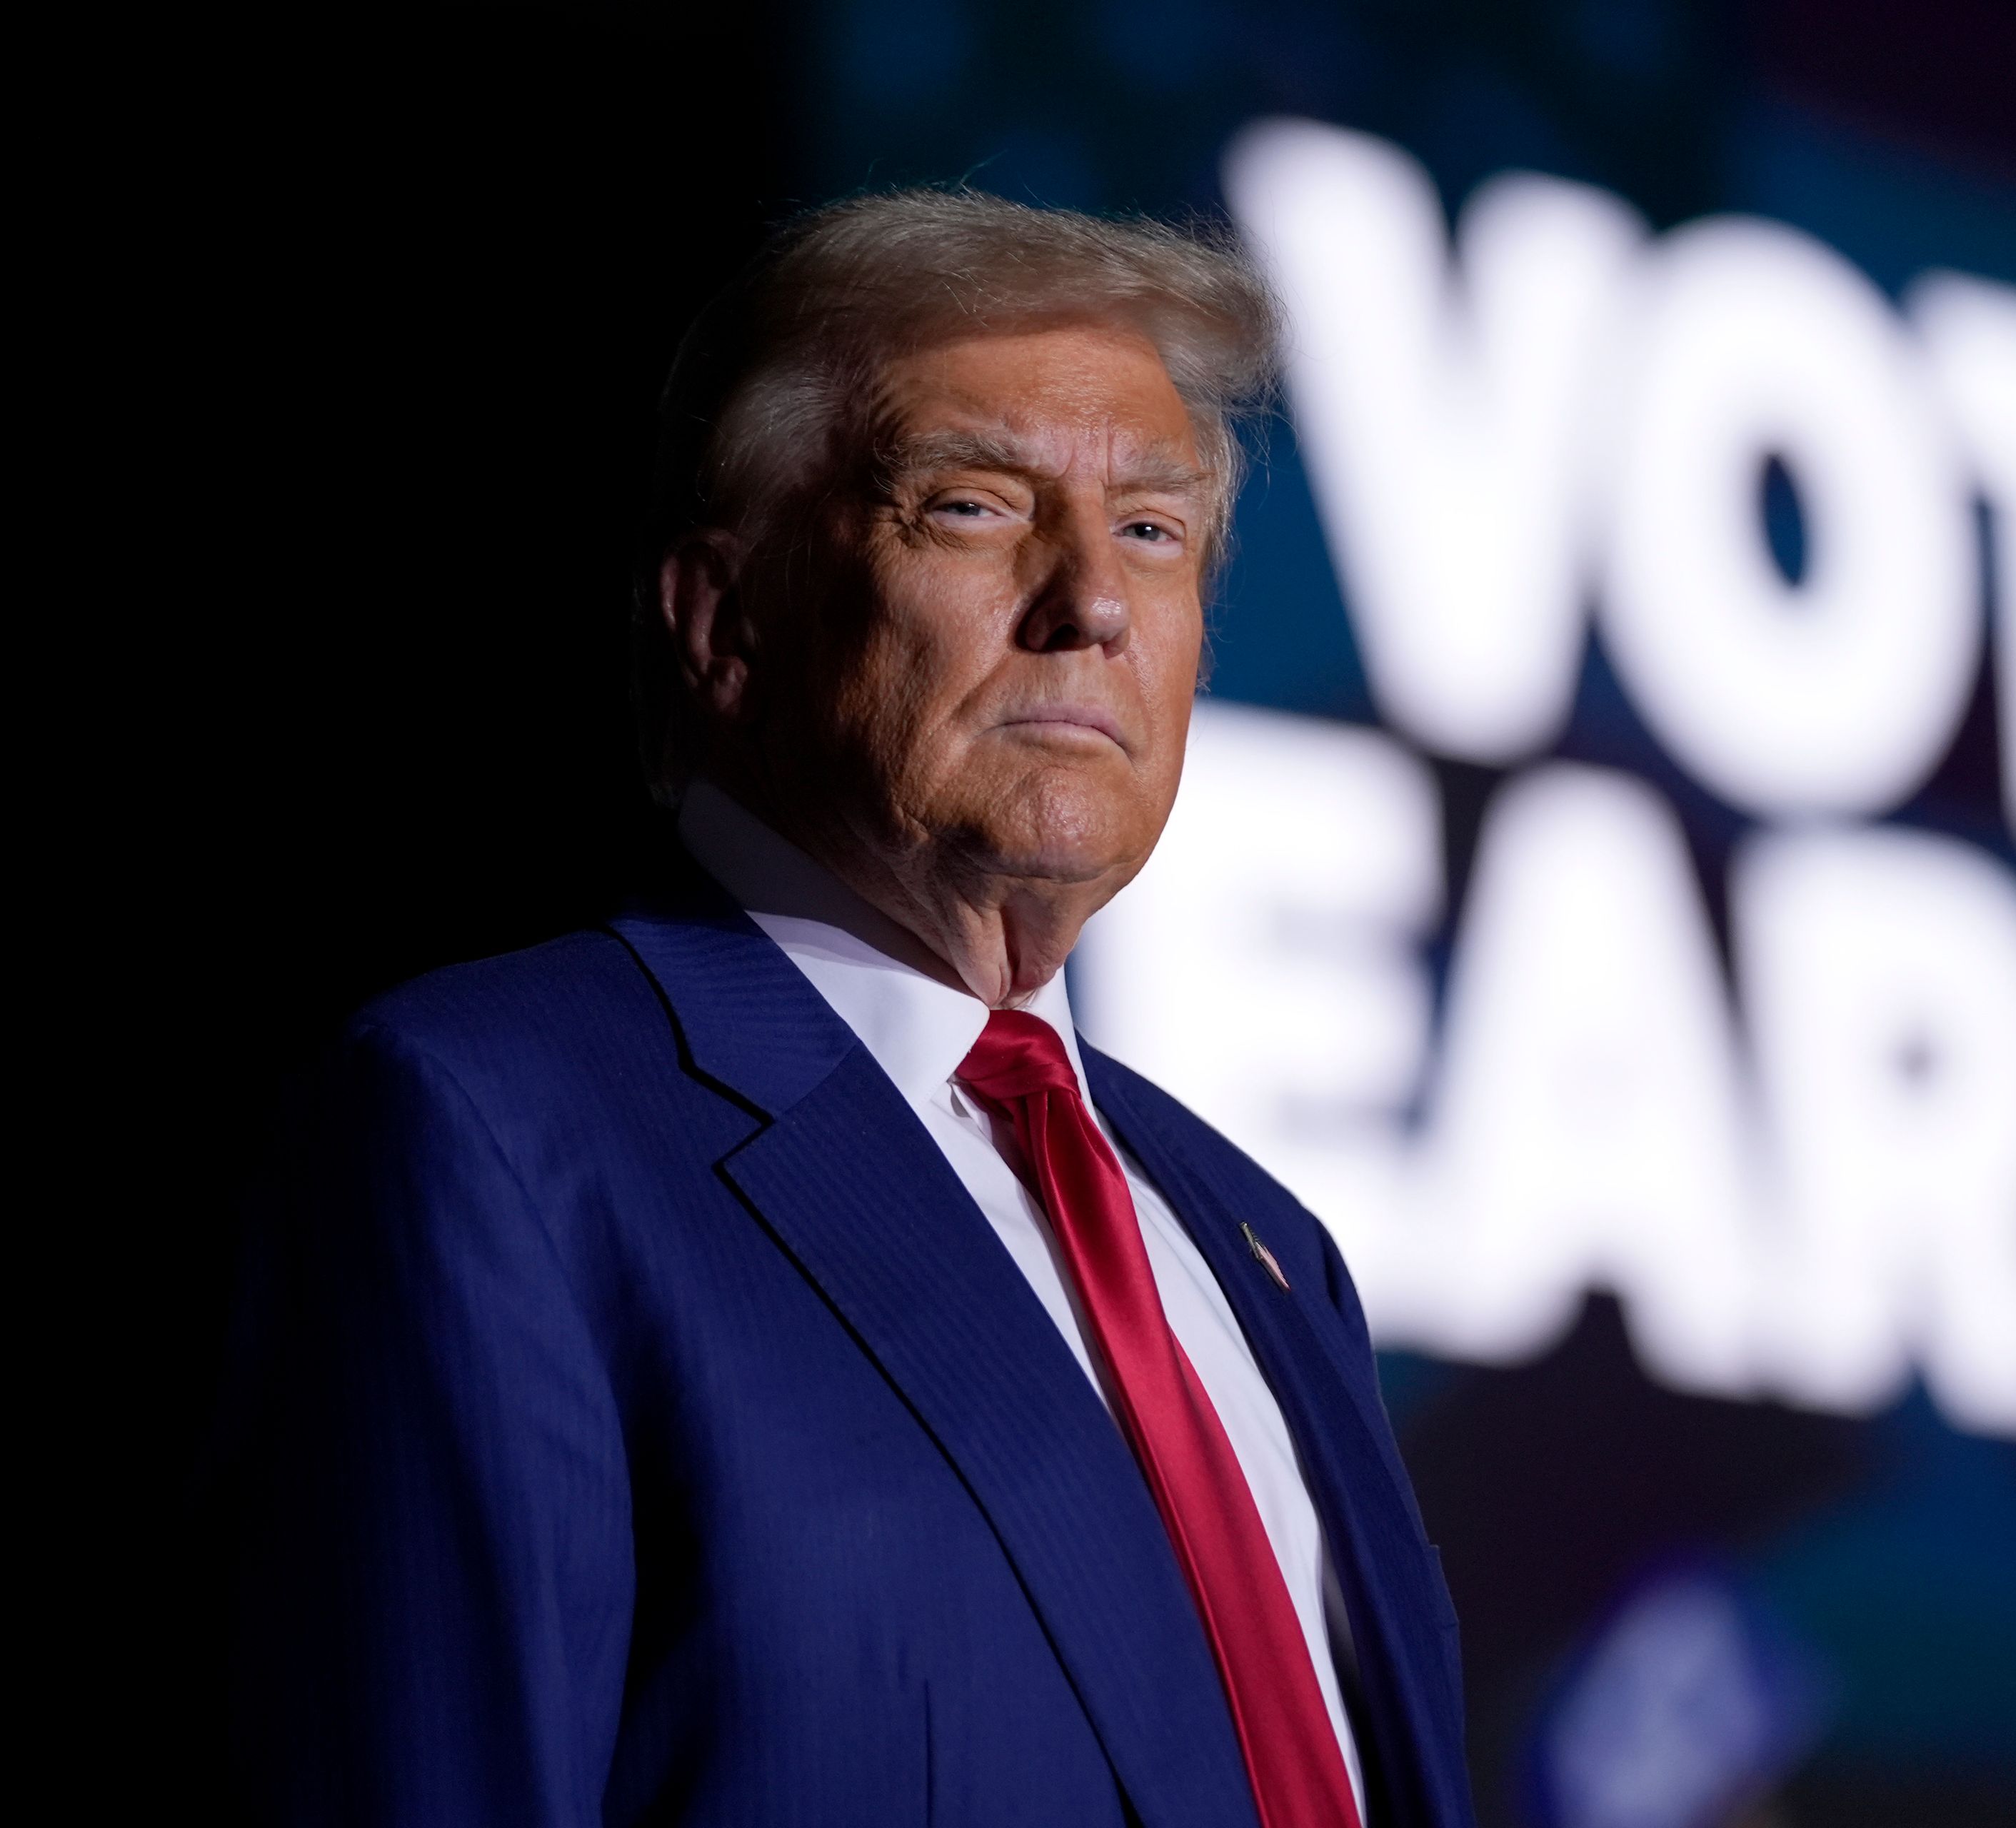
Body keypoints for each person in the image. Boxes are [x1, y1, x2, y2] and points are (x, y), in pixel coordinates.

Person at [217, 191, 1470, 1827]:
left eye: (1152, 532)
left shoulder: (1268, 1247)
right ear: (725, 621)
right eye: (970, 506)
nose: (1090, 598)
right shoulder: (495, 1133)